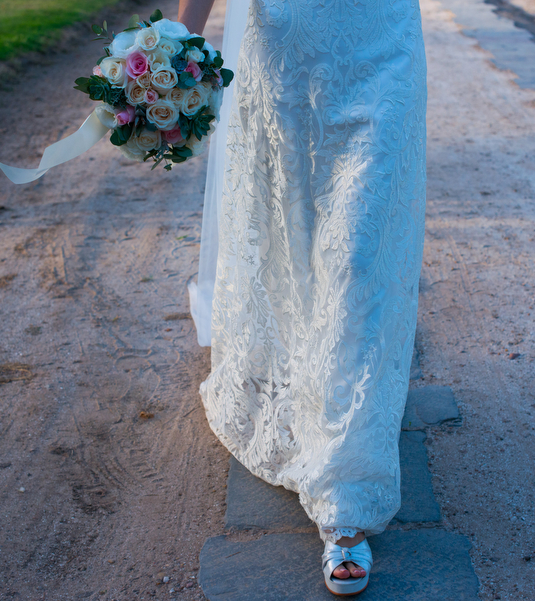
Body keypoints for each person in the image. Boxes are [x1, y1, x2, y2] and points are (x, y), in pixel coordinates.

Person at [181, 0, 427, 594]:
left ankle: (346, 500)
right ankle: (304, 382)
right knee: (291, 240)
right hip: (286, 52)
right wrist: (177, 42)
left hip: (384, 45)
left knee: (359, 256)